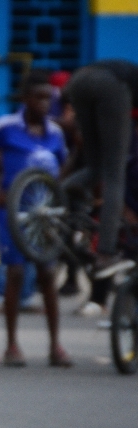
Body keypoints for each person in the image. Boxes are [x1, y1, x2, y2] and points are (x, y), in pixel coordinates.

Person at [0, 70, 72, 367]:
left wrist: (58, 191)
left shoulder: (55, 132)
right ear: (25, 99)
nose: (43, 104)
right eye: (37, 98)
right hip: (14, 213)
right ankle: (12, 345)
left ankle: (55, 346)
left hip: (46, 215)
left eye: (47, 98)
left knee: (47, 275)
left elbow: (65, 162)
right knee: (14, 274)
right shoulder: (6, 126)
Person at [63, 59, 138, 279]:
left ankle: (58, 196)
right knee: (115, 173)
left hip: (78, 80)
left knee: (96, 166)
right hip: (110, 85)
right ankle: (106, 252)